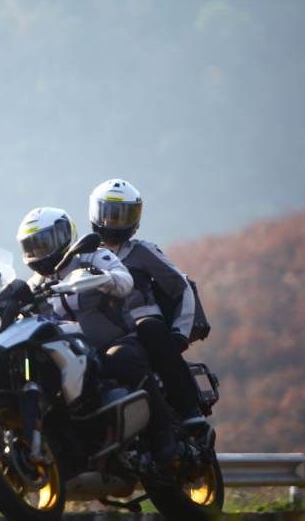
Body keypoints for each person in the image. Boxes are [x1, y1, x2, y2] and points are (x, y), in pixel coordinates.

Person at [17, 206, 179, 464]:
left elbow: (125, 281)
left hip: (113, 341)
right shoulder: (34, 284)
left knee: (123, 359)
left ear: (63, 236)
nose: (39, 252)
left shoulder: (91, 256)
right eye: (31, 246)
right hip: (71, 352)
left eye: (44, 243)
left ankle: (164, 432)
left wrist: (100, 279)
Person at [88, 178, 207, 429]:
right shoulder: (83, 256)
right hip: (103, 331)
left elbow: (181, 286)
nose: (115, 222)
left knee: (150, 329)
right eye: (110, 214)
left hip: (141, 322)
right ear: (95, 213)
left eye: (123, 215)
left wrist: (180, 333)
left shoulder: (143, 251)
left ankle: (189, 409)